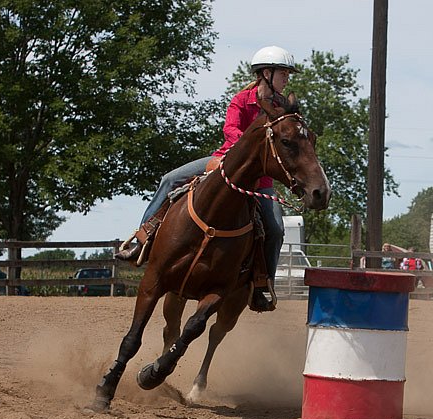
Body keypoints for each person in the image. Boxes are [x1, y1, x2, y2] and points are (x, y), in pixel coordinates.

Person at [115, 46, 298, 311]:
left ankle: (262, 283)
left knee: (276, 228)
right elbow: (230, 129)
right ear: (265, 73)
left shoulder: (282, 108)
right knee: (169, 180)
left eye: (287, 74)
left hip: (262, 179)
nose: (287, 79)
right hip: (223, 160)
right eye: (283, 73)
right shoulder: (241, 100)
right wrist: (248, 148)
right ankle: (142, 241)